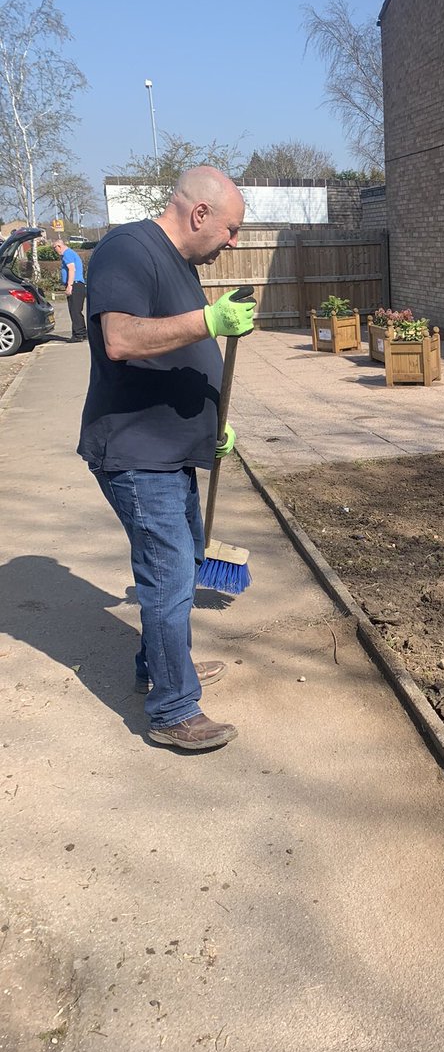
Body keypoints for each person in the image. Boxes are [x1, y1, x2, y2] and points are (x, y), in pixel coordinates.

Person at [78, 166, 257, 751]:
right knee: (170, 578)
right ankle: (173, 710)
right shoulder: (127, 249)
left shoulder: (178, 264)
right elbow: (122, 339)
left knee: (169, 575)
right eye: (229, 230)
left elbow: (180, 353)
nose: (231, 243)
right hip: (135, 455)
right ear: (200, 214)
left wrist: (212, 425)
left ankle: (159, 667)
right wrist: (210, 319)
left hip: (169, 452)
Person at [53, 239, 88, 341]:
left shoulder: (67, 254)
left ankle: (78, 335)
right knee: (77, 311)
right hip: (78, 285)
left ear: (59, 246)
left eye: (55, 248)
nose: (56, 251)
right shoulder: (71, 253)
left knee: (74, 311)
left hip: (75, 285)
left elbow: (71, 269)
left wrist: (69, 285)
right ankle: (82, 333)